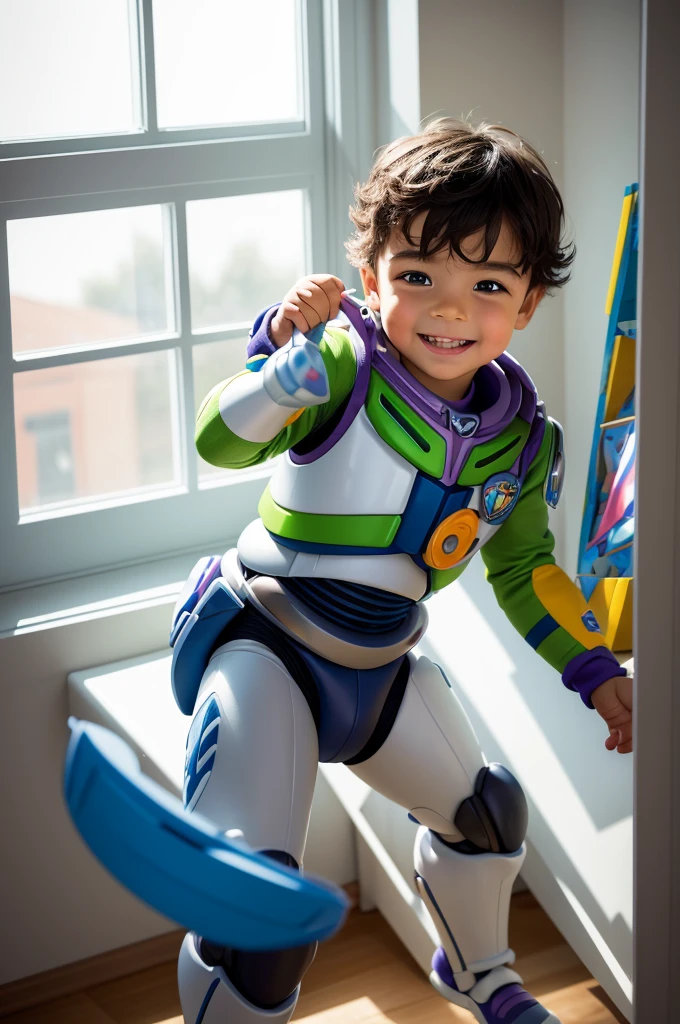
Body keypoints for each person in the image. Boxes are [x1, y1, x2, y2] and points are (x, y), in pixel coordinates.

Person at [176, 118, 633, 1024]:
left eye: (488, 285)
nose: (450, 310)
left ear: (529, 300)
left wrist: (595, 670)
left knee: (489, 816)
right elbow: (218, 439)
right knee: (255, 919)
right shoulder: (342, 364)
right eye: (418, 276)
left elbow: (526, 568)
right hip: (268, 647)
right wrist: (277, 370)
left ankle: (480, 977)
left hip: (382, 669)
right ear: (374, 272)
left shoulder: (522, 440)